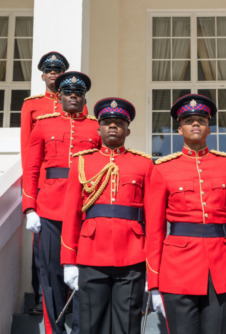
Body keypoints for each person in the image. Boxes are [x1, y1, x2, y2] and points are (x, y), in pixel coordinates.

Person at [145, 94, 226, 334]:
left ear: (209, 128)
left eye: (201, 120)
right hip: (177, 269)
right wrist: (153, 281)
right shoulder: (163, 169)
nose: (196, 124)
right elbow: (154, 230)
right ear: (179, 129)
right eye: (189, 120)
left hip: (221, 268)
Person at [60, 97, 153, 334]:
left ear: (127, 130)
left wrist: (152, 266)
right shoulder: (82, 162)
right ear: (99, 128)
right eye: (108, 122)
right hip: (91, 253)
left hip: (132, 254)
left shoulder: (143, 164)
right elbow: (71, 215)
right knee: (92, 324)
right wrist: (69, 260)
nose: (113, 126)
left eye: (119, 122)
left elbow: (152, 219)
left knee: (127, 325)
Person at [22, 71, 100, 334]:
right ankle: (55, 331)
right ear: (61, 96)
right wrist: (30, 207)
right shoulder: (43, 124)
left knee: (84, 275)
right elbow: (32, 168)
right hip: (50, 207)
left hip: (86, 209)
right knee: (51, 275)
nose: (73, 97)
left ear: (84, 97)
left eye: (78, 93)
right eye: (68, 92)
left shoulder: (96, 127)